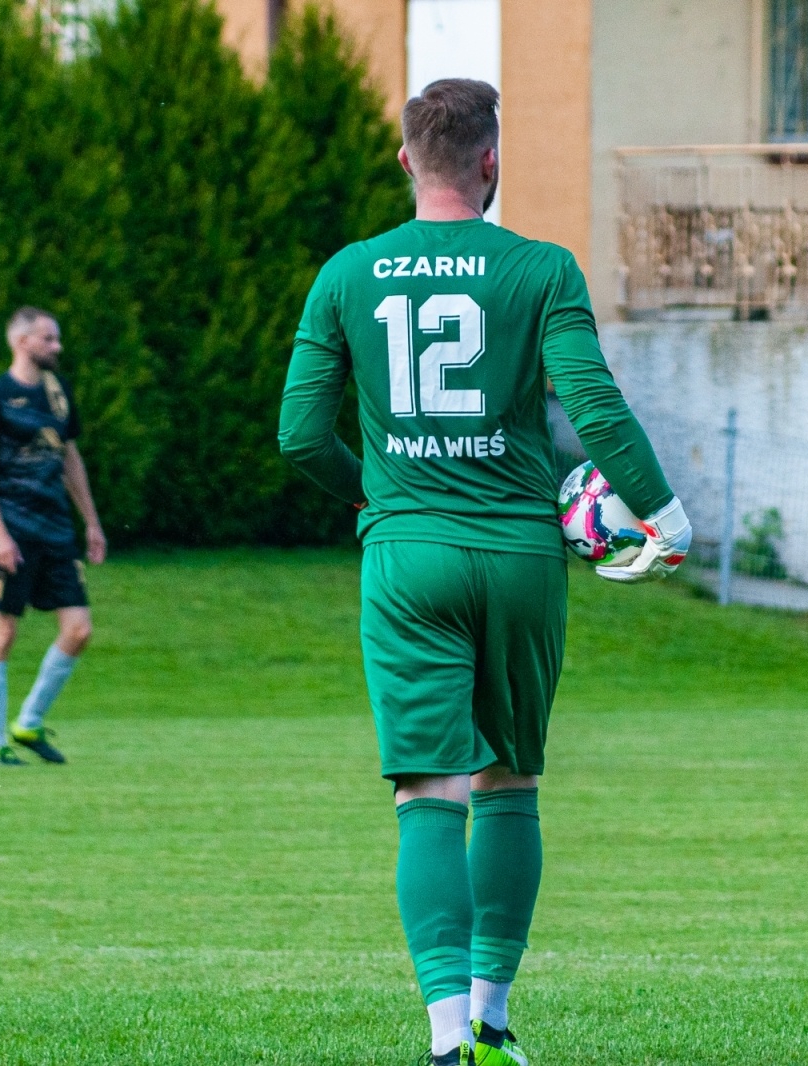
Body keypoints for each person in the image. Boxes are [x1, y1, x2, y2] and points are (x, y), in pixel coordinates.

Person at [278, 79, 690, 1066]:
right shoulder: (542, 269)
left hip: (407, 558)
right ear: (491, 163)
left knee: (429, 791)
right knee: (509, 781)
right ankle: (493, 1021)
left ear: (405, 161)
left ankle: (443, 1043)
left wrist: (380, 496)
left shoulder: (346, 273)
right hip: (517, 555)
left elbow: (299, 436)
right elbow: (590, 402)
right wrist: (661, 513)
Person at [0, 307, 107, 765]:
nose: (57, 346)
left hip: (56, 531)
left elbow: (70, 458)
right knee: (3, 631)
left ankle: (28, 722)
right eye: (48, 338)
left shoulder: (58, 392)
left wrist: (91, 522)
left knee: (79, 630)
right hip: (14, 530)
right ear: (22, 341)